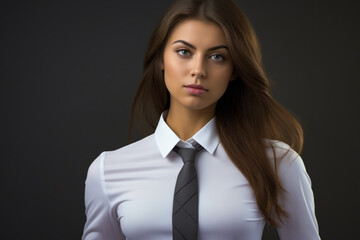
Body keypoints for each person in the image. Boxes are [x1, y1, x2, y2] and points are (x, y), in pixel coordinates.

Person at [82, 0, 320, 239]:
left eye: (217, 57)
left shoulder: (278, 164)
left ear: (235, 69)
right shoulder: (108, 171)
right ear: (161, 58)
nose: (198, 70)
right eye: (184, 52)